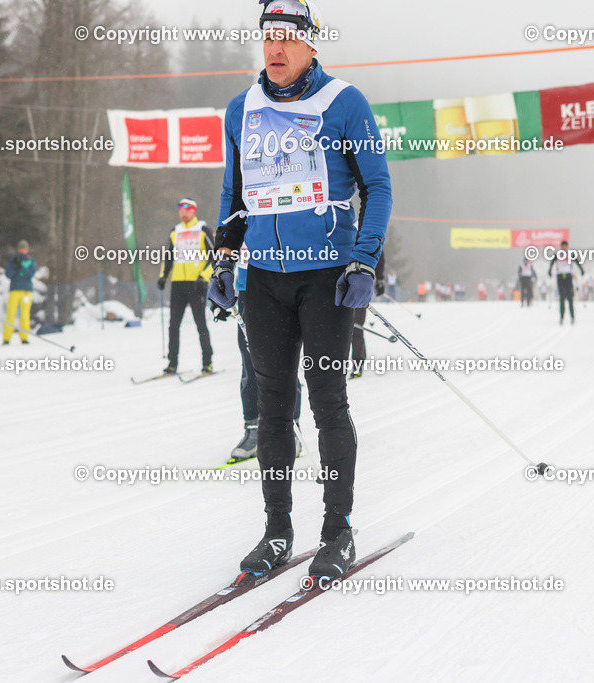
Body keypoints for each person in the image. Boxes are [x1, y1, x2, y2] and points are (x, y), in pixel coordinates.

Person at [208, 0, 392, 581]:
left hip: (326, 276)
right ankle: (277, 530)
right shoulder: (242, 109)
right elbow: (234, 194)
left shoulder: (344, 102)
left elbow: (378, 186)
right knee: (272, 407)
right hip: (264, 278)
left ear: (312, 44)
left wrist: (364, 260)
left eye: (288, 37)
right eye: (269, 37)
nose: (276, 48)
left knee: (327, 401)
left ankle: (338, 530)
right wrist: (223, 258)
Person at [222, 245, 303, 463]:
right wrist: (220, 283)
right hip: (247, 288)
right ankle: (253, 430)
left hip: (282, 283)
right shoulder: (237, 220)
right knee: (250, 363)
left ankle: (291, 429)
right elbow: (227, 244)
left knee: (285, 361)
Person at [158, 198, 214, 374]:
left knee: (200, 324)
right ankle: (172, 363)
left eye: (187, 210)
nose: (183, 213)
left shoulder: (203, 229)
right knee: (173, 325)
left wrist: (204, 277)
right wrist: (163, 277)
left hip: (197, 284)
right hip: (178, 284)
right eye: (181, 210)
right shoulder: (175, 231)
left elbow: (215, 256)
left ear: (193, 211)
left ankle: (207, 362)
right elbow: (168, 257)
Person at [349, 253, 386, 380]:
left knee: (356, 328)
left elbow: (378, 254)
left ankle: (357, 364)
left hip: (359, 284)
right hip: (339, 284)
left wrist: (380, 279)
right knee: (340, 328)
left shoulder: (367, 239)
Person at [3, 240, 37, 344]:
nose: (22, 250)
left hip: (26, 291)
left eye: (24, 249)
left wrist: (21, 267)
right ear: (18, 249)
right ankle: (6, 338)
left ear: (27, 250)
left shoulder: (31, 261)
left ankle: (24, 337)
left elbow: (31, 274)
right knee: (10, 314)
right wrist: (14, 267)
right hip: (14, 290)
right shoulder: (13, 260)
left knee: (24, 315)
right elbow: (8, 274)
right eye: (21, 248)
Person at [548, 240, 584, 324]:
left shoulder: (570, 254)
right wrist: (549, 271)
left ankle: (572, 317)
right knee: (562, 298)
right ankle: (561, 317)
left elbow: (577, 261)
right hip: (560, 277)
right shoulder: (557, 254)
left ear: (567, 246)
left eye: (565, 246)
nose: (564, 247)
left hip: (568, 276)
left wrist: (581, 270)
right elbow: (552, 262)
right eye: (563, 246)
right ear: (561, 246)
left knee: (570, 298)